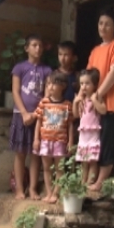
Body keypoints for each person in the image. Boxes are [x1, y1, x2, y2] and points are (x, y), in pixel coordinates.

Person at [86, 8, 114, 192]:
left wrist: (98, 94)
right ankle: (92, 177)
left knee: (107, 142)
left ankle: (101, 181)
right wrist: (83, 95)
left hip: (113, 103)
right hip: (96, 104)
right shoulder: (96, 50)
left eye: (108, 24)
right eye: (100, 23)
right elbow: (87, 76)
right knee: (94, 141)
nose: (103, 27)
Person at [10, 34, 53, 200]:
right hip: (20, 115)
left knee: (36, 154)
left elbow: (47, 94)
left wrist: (36, 114)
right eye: (34, 45)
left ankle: (33, 189)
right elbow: (15, 91)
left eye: (40, 45)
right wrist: (24, 113)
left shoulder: (47, 70)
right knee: (20, 152)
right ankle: (20, 190)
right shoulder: (19, 68)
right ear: (26, 48)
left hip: (39, 117)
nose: (38, 48)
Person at [32, 71, 75, 204]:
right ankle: (49, 193)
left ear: (63, 86)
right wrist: (36, 139)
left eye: (53, 84)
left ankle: (56, 193)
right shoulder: (43, 102)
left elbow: (70, 125)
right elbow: (38, 122)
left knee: (59, 169)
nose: (50, 87)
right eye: (48, 84)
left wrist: (70, 141)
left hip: (60, 142)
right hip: (45, 141)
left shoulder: (67, 105)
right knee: (46, 168)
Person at [73, 68, 105, 186]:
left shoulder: (97, 97)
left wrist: (94, 101)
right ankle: (82, 181)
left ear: (95, 84)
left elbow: (103, 110)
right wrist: (75, 102)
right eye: (81, 83)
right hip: (83, 135)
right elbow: (76, 115)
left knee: (92, 160)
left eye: (87, 83)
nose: (84, 86)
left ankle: (90, 182)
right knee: (83, 161)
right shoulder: (81, 100)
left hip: (93, 134)